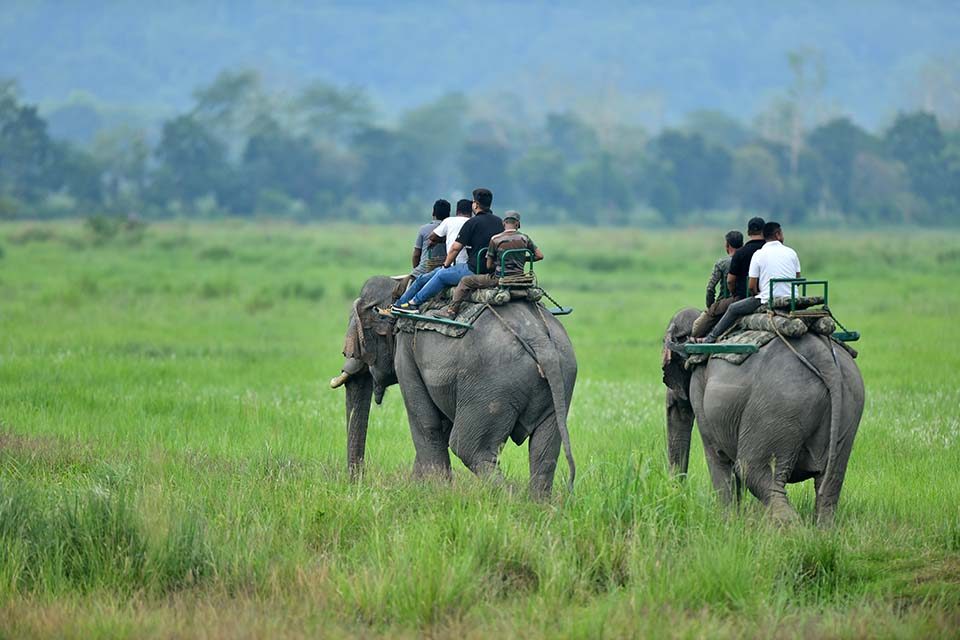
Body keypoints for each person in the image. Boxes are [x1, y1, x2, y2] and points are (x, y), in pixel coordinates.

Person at [393, 188, 503, 313]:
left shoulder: (472, 222)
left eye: (473, 202)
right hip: (492, 269)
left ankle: (414, 303)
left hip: (474, 269)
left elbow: (455, 248)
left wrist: (445, 266)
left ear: (476, 204)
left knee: (440, 274)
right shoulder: (499, 222)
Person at [698, 221, 801, 343]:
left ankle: (710, 338)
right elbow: (798, 279)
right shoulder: (791, 252)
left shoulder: (759, 254)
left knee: (733, 308)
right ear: (777, 234)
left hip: (767, 298)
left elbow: (751, 286)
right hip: (792, 297)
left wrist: (757, 292)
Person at [437, 210, 542, 318]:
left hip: (499, 278)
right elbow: (539, 256)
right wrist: (522, 259)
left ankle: (451, 311)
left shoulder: (495, 239)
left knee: (465, 281)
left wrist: (500, 263)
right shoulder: (525, 238)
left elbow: (488, 265)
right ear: (518, 224)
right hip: (519, 277)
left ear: (504, 223)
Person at [393, 199, 472, 312]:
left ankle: (403, 304)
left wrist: (416, 269)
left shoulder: (445, 223)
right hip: (464, 266)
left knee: (422, 280)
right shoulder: (474, 223)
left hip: (449, 267)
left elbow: (418, 252)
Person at [691, 230, 743, 338]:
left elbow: (710, 288)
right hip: (745, 300)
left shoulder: (722, 263)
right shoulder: (749, 260)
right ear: (742, 244)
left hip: (724, 303)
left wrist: (711, 307)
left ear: (727, 245)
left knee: (696, 329)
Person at [726, 217, 766, 302]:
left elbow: (730, 281)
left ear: (748, 232)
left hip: (745, 297)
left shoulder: (740, 253)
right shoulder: (770, 250)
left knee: (713, 311)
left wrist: (734, 294)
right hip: (770, 295)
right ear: (765, 232)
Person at [410, 200, 450, 277]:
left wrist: (416, 269)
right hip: (445, 269)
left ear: (433, 213)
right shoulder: (451, 230)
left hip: (424, 271)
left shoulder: (424, 229)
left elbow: (416, 255)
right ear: (448, 215)